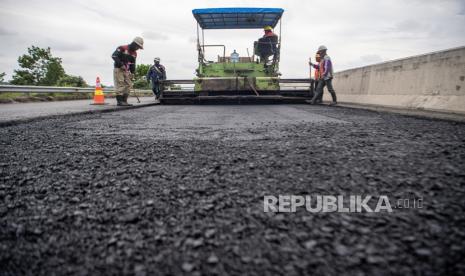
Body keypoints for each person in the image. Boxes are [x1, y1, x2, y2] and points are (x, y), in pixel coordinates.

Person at [112, 37, 144, 106]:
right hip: (118, 69)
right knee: (120, 84)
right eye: (138, 47)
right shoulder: (122, 48)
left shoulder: (134, 54)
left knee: (129, 85)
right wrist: (121, 64)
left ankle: (124, 100)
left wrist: (133, 73)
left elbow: (133, 64)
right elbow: (114, 56)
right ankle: (119, 101)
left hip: (126, 70)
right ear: (134, 44)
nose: (138, 48)